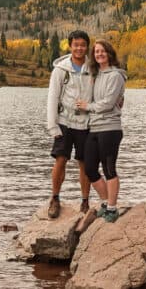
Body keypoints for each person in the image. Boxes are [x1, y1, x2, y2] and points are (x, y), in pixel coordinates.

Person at [75, 39, 126, 223]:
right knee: (89, 168)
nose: (99, 54)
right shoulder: (95, 74)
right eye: (96, 52)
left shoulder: (116, 75)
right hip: (94, 128)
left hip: (110, 128)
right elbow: (65, 61)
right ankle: (105, 201)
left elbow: (109, 103)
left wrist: (88, 106)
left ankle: (112, 208)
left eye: (103, 51)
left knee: (109, 169)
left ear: (109, 53)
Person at [45, 30, 93, 219]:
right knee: (61, 159)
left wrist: (119, 98)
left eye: (82, 44)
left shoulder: (93, 68)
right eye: (76, 44)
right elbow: (52, 98)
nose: (79, 48)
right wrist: (52, 125)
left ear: (87, 46)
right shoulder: (60, 70)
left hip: (86, 122)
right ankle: (55, 199)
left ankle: (85, 201)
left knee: (85, 162)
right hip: (64, 121)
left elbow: (110, 83)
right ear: (70, 46)